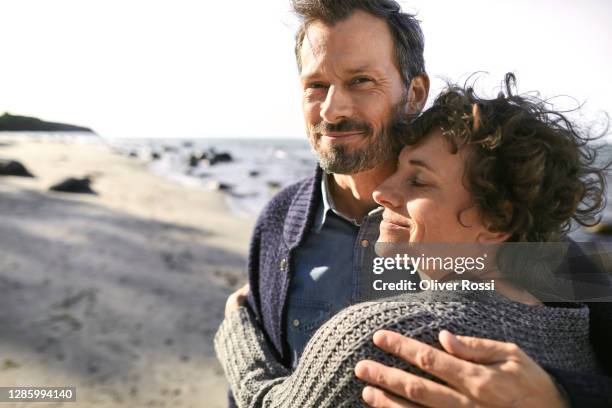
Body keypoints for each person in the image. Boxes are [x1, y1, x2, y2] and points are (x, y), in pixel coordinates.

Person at [232, 0, 612, 406]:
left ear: (414, 93)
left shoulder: (506, 227)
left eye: (360, 81)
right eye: (316, 85)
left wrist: (561, 398)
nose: (332, 109)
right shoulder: (278, 223)